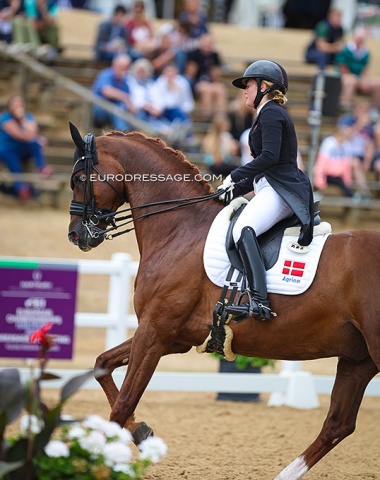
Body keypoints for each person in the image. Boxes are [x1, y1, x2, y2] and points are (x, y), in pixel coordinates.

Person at [215, 60, 314, 322]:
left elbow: (269, 157)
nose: (244, 91)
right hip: (269, 186)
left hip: (280, 191)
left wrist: (234, 176)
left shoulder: (271, 113)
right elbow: (262, 171)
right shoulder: (266, 115)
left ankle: (259, 301)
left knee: (242, 230)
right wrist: (232, 189)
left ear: (264, 86)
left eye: (247, 85)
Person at [0, 94, 53, 201]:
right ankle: (21, 188)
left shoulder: (28, 116)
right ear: (9, 106)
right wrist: (37, 138)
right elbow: (20, 135)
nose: (18, 107)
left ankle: (41, 168)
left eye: (20, 104)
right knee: (13, 161)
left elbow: (33, 132)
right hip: (7, 149)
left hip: (22, 149)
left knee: (35, 143)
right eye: (15, 104)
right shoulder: (5, 118)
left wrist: (22, 119)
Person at [313, 119, 369, 199]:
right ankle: (352, 196)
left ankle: (355, 195)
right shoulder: (328, 143)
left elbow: (347, 166)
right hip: (327, 174)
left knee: (340, 181)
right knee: (338, 182)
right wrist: (319, 181)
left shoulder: (347, 145)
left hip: (338, 176)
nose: (344, 139)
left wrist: (347, 181)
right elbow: (321, 163)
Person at [335, 26, 380, 111]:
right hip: (345, 75)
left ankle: (375, 109)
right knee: (350, 81)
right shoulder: (346, 50)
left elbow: (365, 69)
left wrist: (364, 80)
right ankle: (345, 107)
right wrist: (356, 79)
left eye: (362, 38)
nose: (360, 40)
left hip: (358, 77)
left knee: (378, 83)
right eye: (359, 38)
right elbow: (342, 68)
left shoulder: (365, 52)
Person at [185, 33, 228, 120]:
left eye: (210, 43)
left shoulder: (214, 56)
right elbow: (189, 74)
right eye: (206, 43)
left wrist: (214, 70)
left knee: (221, 89)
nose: (208, 45)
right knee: (206, 90)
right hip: (196, 82)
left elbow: (216, 77)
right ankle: (207, 118)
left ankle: (221, 118)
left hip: (210, 82)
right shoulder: (194, 54)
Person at [91, 54, 137, 132]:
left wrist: (130, 106)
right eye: (122, 67)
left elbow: (129, 103)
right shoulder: (106, 74)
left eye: (126, 67)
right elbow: (107, 91)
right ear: (115, 65)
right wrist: (124, 97)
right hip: (99, 109)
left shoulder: (125, 82)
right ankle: (123, 132)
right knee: (117, 108)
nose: (124, 70)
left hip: (115, 111)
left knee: (124, 110)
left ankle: (124, 133)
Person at [202, 112, 239, 176]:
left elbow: (233, 154)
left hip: (225, 163)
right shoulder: (210, 138)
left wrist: (234, 148)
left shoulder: (227, 136)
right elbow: (217, 160)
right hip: (214, 165)